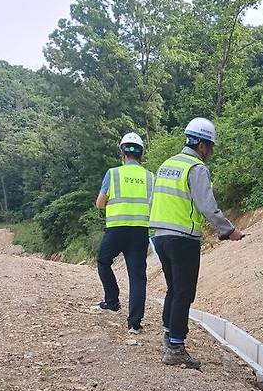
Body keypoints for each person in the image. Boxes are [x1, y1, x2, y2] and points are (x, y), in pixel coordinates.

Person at [150, 117, 243, 368]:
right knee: (183, 292)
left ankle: (169, 337)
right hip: (183, 238)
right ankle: (176, 347)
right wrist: (228, 230)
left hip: (160, 236)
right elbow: (207, 207)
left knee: (173, 288)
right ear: (201, 145)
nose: (210, 152)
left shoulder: (167, 164)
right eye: (210, 147)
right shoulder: (196, 167)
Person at [95, 132, 154, 333]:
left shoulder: (113, 174)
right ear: (141, 154)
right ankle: (135, 323)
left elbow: (99, 203)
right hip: (140, 232)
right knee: (138, 277)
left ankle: (112, 300)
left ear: (122, 152)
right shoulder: (149, 177)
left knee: (103, 261)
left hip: (116, 230)